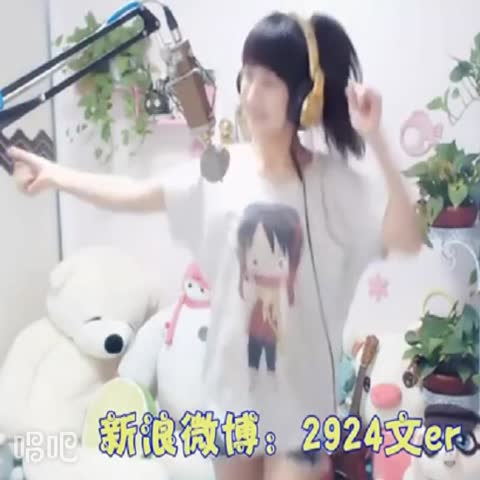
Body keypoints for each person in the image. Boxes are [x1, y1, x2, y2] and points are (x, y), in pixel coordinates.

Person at [7, 10, 422, 480]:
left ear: (303, 96)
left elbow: (406, 237)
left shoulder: (330, 183)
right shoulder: (220, 169)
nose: (251, 94)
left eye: (269, 81)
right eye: (248, 76)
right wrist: (54, 175)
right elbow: (136, 194)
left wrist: (377, 138)